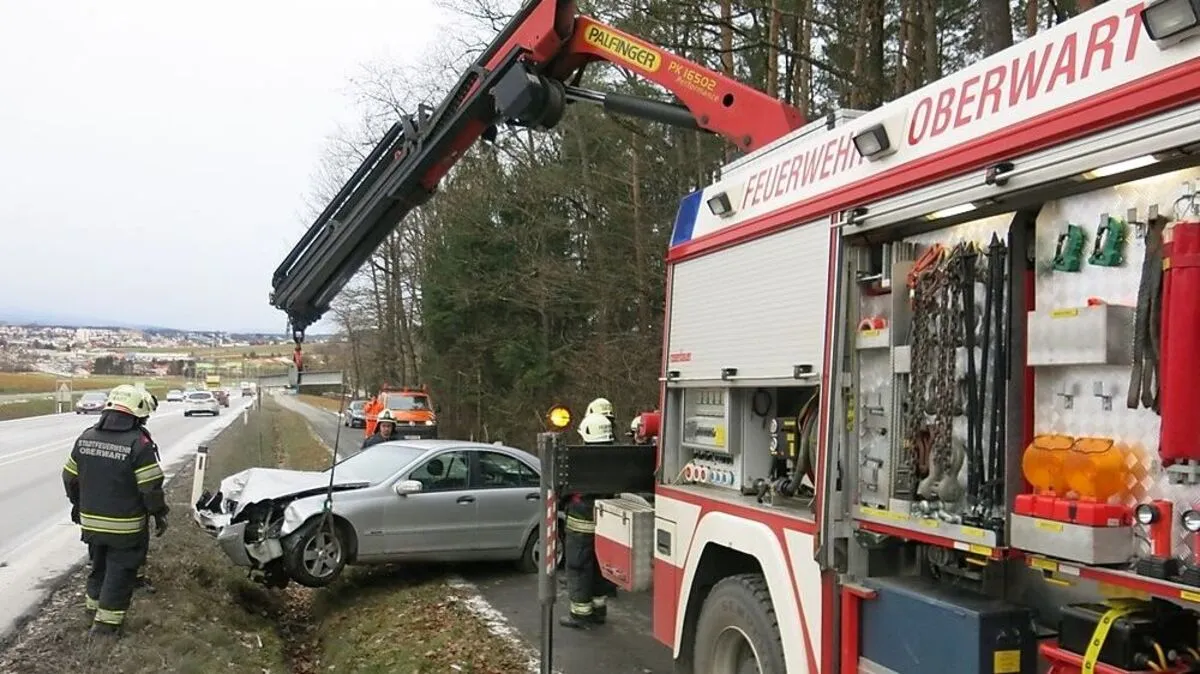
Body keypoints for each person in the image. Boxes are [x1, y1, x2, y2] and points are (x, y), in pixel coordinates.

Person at [62, 384, 168, 639]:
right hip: (126, 526)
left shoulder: (86, 437)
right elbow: (150, 488)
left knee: (98, 566)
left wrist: (78, 505)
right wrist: (159, 513)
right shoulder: (138, 444)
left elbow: (69, 477)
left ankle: (92, 610)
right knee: (120, 572)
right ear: (137, 414)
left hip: (90, 522)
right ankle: (105, 628)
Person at [559, 411, 618, 629]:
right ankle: (599, 609)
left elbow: (563, 489)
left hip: (581, 522)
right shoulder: (618, 456)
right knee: (599, 566)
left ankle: (580, 615)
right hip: (607, 520)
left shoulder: (579, 460)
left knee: (578, 567)